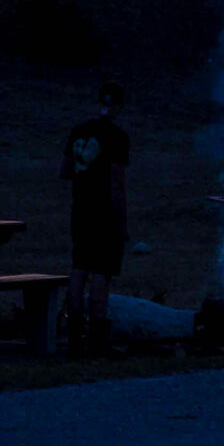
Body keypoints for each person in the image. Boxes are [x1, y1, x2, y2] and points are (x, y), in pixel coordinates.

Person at [60, 82, 131, 357]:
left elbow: (65, 170)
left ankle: (75, 337)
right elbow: (116, 182)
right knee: (102, 274)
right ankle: (97, 340)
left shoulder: (79, 131)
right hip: (104, 213)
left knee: (79, 269)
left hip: (81, 210)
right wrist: (121, 222)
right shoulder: (117, 137)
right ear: (119, 107)